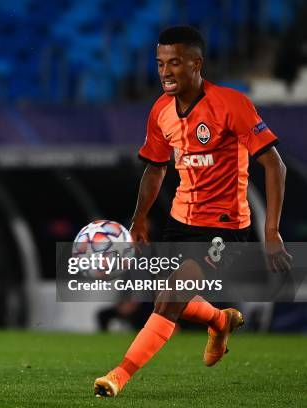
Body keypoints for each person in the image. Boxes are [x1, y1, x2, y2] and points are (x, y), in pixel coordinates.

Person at [94, 26, 293, 398]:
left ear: (197, 63)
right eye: (160, 63)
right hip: (180, 221)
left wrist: (271, 231)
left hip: (225, 225)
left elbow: (275, 166)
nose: (166, 72)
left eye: (175, 63)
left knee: (170, 297)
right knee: (167, 299)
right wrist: (138, 218)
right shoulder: (160, 111)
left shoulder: (231, 104)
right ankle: (220, 321)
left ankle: (118, 376)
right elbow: (155, 168)